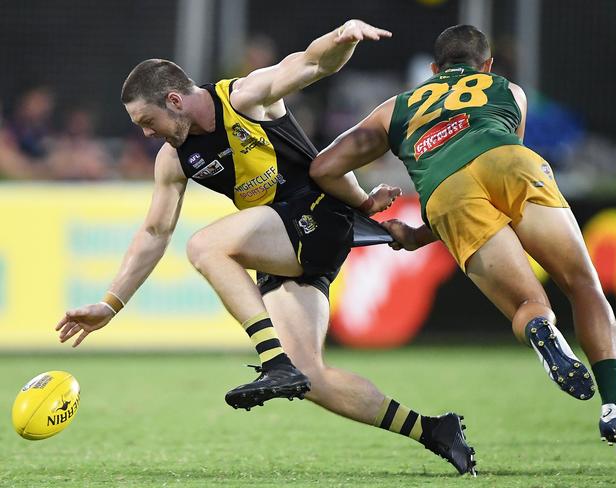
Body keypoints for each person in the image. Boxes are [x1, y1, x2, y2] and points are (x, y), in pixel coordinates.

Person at [54, 20, 476, 475]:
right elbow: (154, 234)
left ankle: (272, 360)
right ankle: (435, 430)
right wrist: (110, 304)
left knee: (205, 246)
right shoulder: (174, 160)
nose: (146, 134)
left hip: (316, 216)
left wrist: (341, 38)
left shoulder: (244, 97)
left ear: (174, 100)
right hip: (282, 241)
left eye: (147, 122)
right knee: (311, 377)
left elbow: (310, 63)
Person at [309, 24, 616, 460]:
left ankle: (542, 329)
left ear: (433, 70)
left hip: (446, 191)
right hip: (509, 160)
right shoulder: (510, 91)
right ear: (485, 66)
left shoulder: (396, 107)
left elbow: (324, 168)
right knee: (583, 284)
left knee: (528, 306)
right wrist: (420, 235)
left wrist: (372, 204)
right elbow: (495, 176)